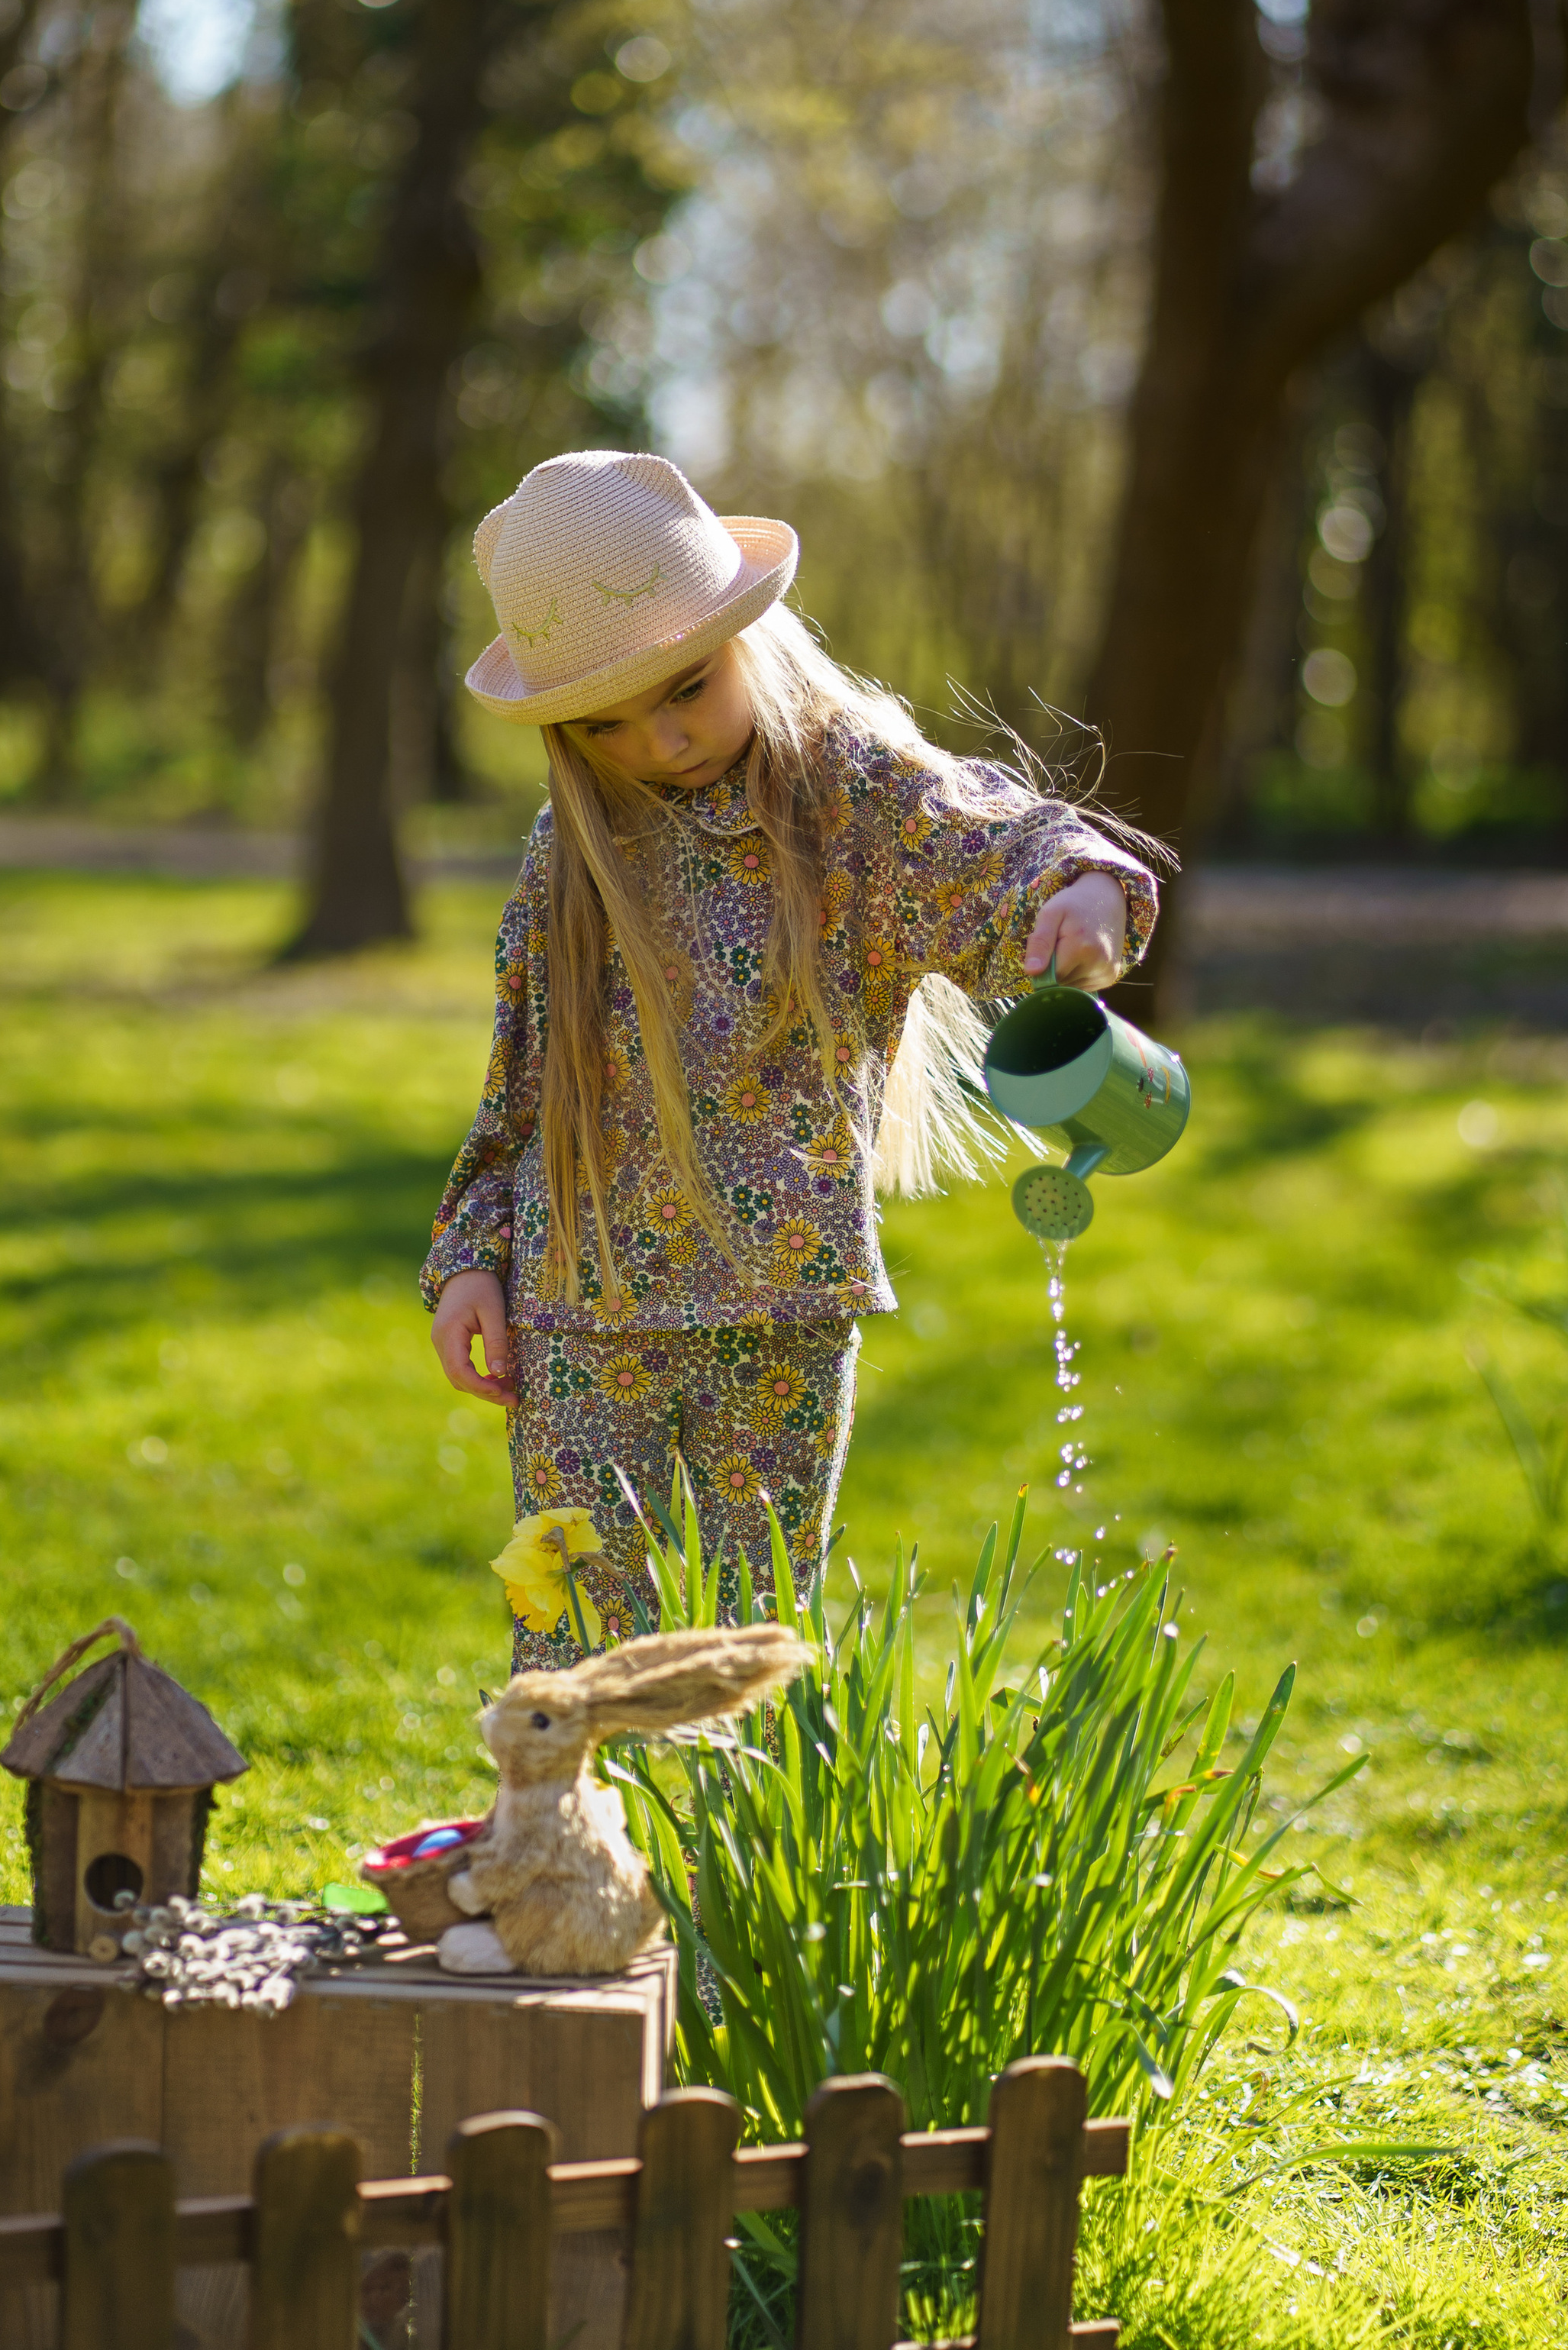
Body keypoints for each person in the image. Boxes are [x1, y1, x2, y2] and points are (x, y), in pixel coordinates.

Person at [422, 449, 1158, 1671]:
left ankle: (724, 1866)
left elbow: (986, 834)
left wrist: (1079, 890)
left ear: (746, 639)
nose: (658, 742)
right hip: (582, 1311)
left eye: (686, 690)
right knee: (576, 1638)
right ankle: (571, 1860)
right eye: (603, 722)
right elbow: (521, 1092)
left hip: (783, 1307)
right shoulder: (571, 857)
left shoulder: (845, 804)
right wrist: (470, 1258)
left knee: (747, 1644)